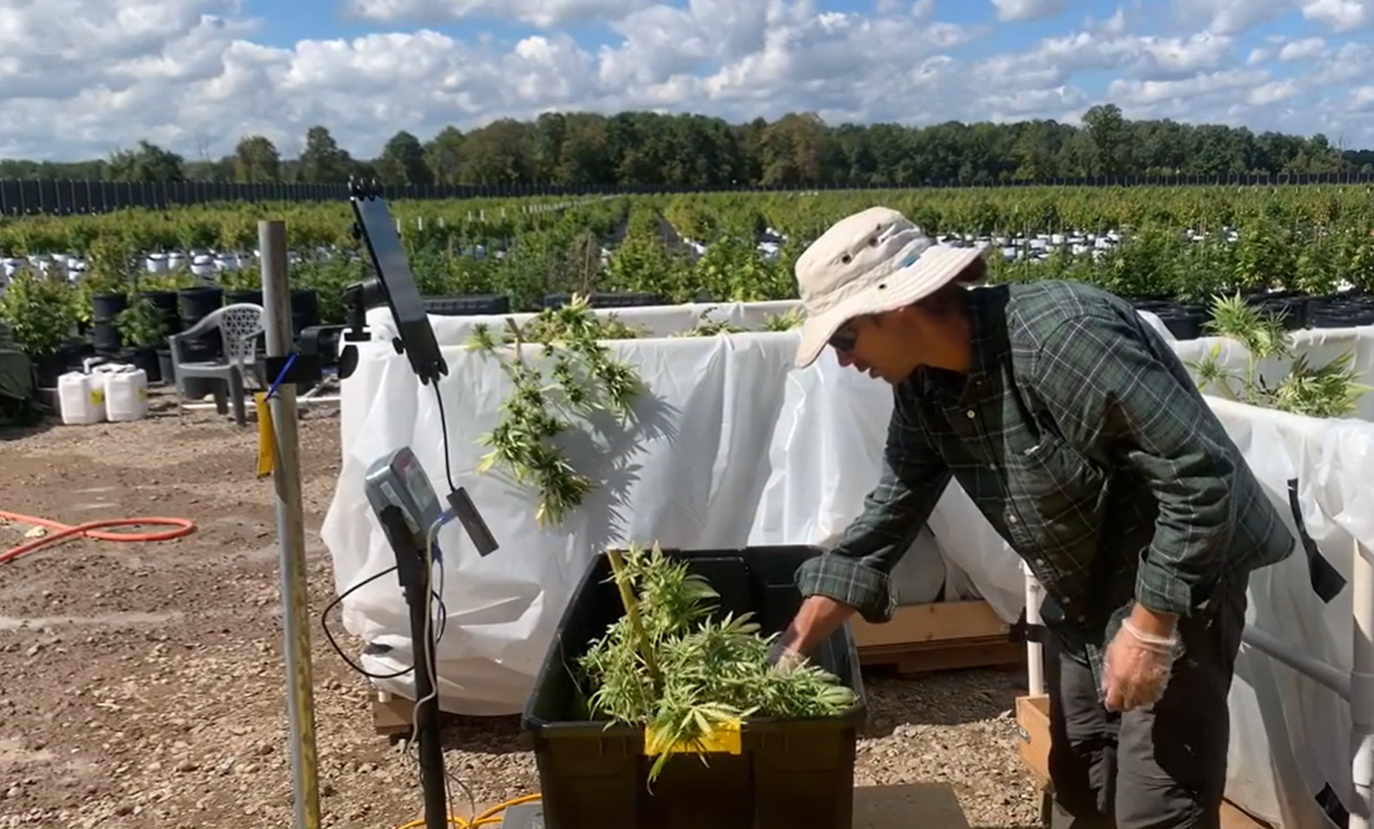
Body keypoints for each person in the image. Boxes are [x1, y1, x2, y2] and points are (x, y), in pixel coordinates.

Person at [770, 206, 1296, 829]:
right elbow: (892, 509)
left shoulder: (1063, 339)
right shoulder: (925, 387)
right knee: (1083, 775)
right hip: (1085, 588)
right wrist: (795, 647)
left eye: (843, 337)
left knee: (1159, 801)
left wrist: (1151, 630)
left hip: (1181, 576)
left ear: (897, 305)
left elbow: (1203, 478)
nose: (841, 359)